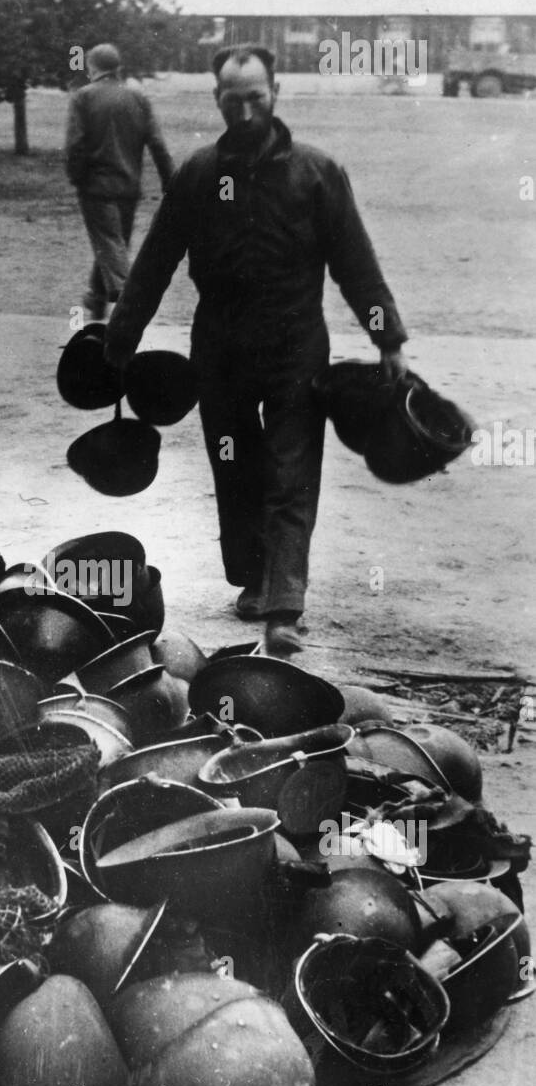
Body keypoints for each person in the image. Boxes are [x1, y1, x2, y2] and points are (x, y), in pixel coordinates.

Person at [103, 44, 409, 657]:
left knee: (292, 470)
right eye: (232, 98)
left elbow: (356, 263)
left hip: (298, 349)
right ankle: (252, 576)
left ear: (276, 92)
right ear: (217, 98)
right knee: (234, 462)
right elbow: (156, 262)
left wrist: (388, 338)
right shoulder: (195, 174)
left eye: (255, 97)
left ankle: (285, 605)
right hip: (219, 350)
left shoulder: (317, 173)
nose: (244, 111)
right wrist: (121, 340)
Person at [65, 43, 175, 322]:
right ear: (118, 68)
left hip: (96, 188)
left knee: (109, 244)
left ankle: (129, 298)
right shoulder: (138, 98)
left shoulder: (83, 97)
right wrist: (170, 181)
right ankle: (96, 300)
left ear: (93, 67)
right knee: (113, 245)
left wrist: (77, 178)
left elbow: (75, 145)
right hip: (129, 188)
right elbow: (158, 144)